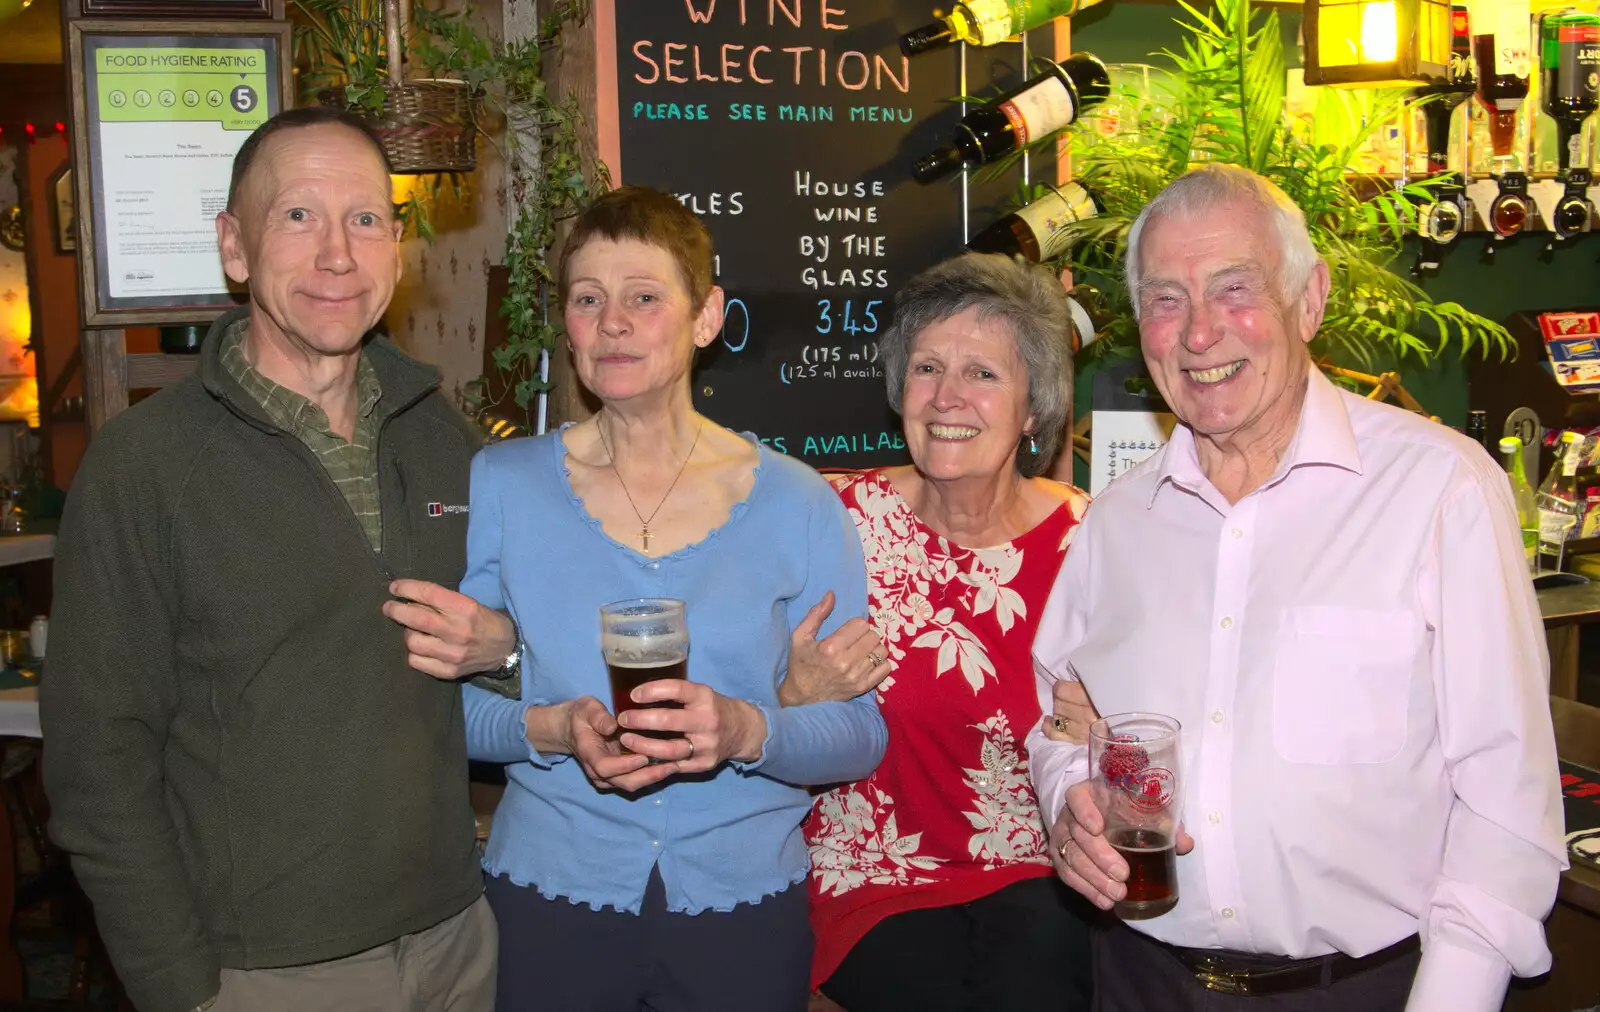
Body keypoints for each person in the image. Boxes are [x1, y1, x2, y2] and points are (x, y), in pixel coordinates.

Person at [1027, 163, 1566, 1011]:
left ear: (1308, 299)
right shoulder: (1115, 524)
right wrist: (1070, 804)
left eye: (1234, 289)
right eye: (1166, 300)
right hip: (1140, 983)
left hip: (1365, 990)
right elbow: (1059, 719)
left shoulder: (1437, 491)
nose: (1200, 333)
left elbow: (1507, 794)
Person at [42, 107, 517, 1012]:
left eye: (367, 218)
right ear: (234, 246)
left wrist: (507, 647)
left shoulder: (444, 437)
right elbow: (98, 766)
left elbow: (520, 661)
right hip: (264, 973)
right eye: (297, 216)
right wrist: (179, 987)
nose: (338, 252)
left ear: (396, 245)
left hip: (458, 941)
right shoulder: (145, 466)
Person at [450, 185, 889, 1012]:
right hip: (551, 895)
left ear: (706, 316)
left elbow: (858, 736)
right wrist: (547, 729)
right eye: (588, 300)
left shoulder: (799, 502)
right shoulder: (500, 485)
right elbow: (445, 709)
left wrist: (746, 728)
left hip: (742, 902)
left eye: (643, 298)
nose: (612, 322)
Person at [792, 252, 1096, 1012]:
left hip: (1038, 867)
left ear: (1034, 409)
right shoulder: (835, 521)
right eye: (927, 368)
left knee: (1043, 974)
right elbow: (747, 703)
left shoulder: (1086, 538)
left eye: (983, 374)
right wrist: (791, 693)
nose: (947, 396)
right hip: (874, 875)